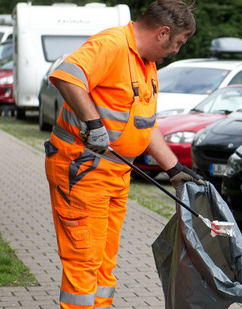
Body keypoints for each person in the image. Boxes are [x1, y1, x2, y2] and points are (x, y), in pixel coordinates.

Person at [43, 1, 201, 308]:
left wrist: (174, 169)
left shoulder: (146, 64)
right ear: (163, 33)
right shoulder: (112, 44)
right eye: (178, 43)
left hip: (115, 176)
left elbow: (145, 124)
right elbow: (67, 76)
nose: (177, 51)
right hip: (83, 172)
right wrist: (92, 123)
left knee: (104, 263)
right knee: (84, 264)